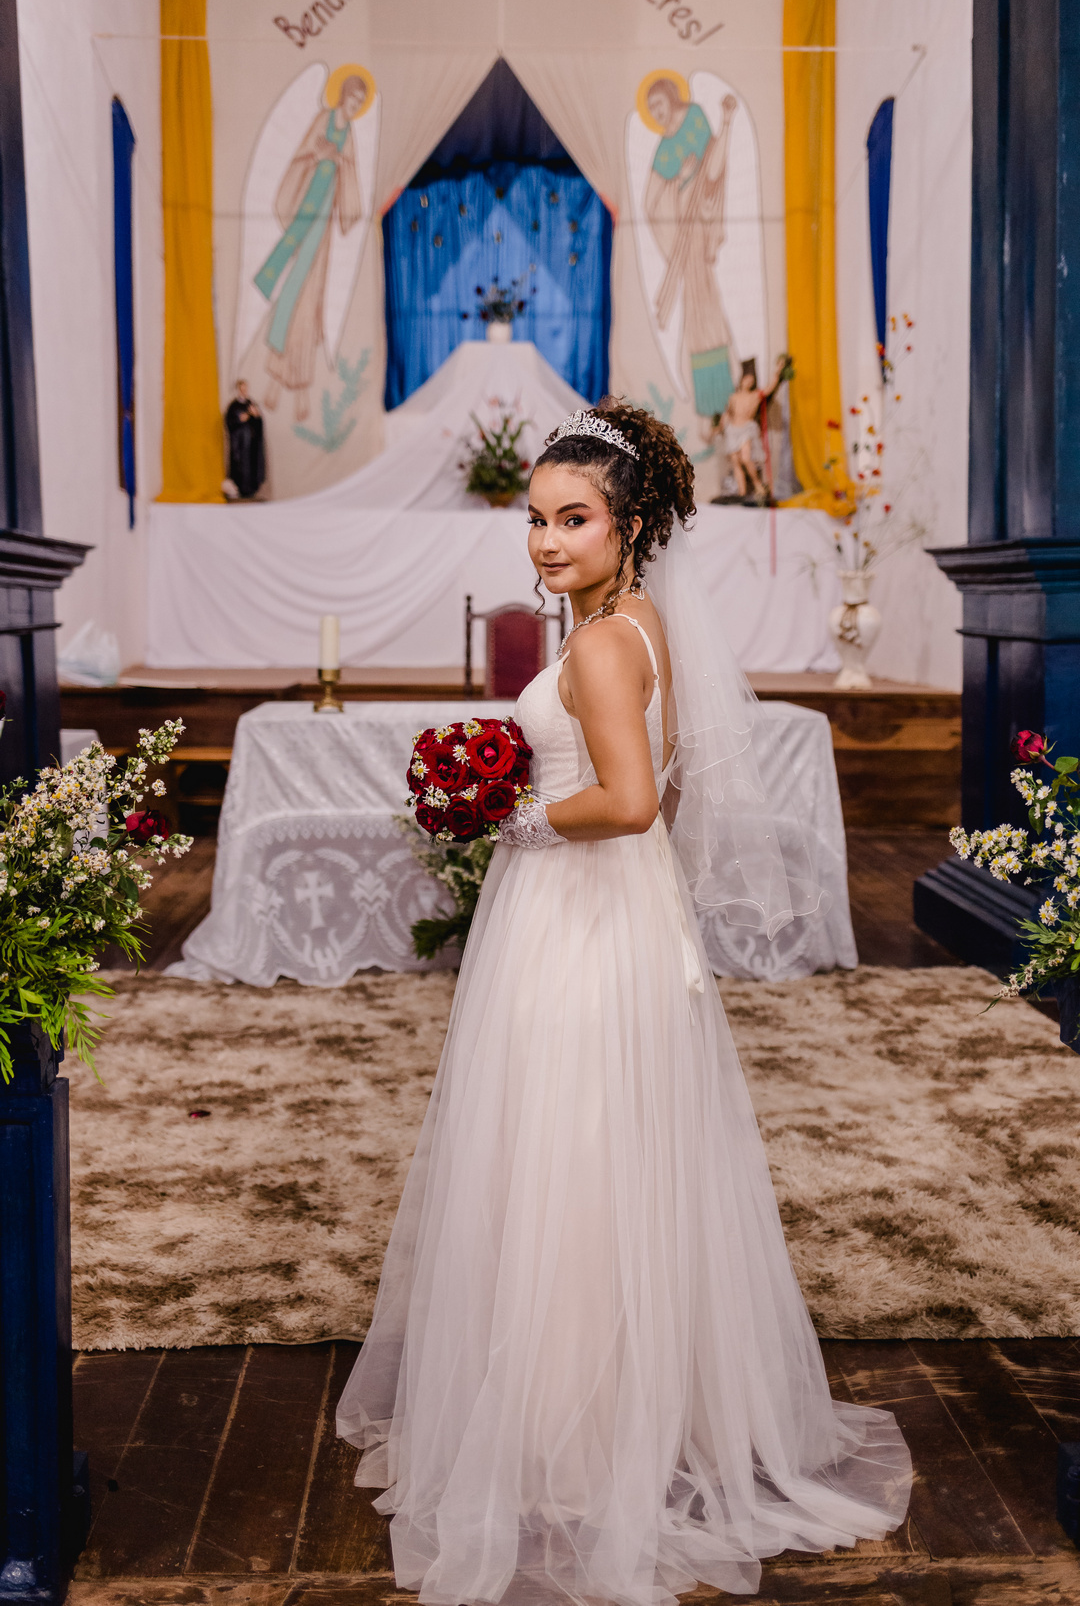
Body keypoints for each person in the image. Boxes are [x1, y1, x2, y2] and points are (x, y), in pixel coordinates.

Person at [336, 402, 912, 1604]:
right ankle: (615, 1413)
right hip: (621, 914)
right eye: (535, 520)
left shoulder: (602, 643)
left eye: (573, 519)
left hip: (584, 912)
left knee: (568, 1150)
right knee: (606, 1151)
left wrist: (513, 816)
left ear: (632, 523)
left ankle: (567, 1439)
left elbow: (635, 799)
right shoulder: (636, 624)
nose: (546, 542)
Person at [254, 73, 366, 422]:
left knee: (311, 300)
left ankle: (298, 387)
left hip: (322, 227)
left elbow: (350, 179)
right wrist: (322, 154)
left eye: (360, 104)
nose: (354, 107)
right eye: (352, 100)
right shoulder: (324, 119)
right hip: (304, 212)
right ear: (342, 96)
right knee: (291, 293)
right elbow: (304, 154)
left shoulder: (349, 135)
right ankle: (275, 381)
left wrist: (340, 160)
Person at [644, 80, 738, 421]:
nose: (657, 112)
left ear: (671, 99)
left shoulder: (695, 117)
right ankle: (711, 398)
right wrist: (677, 180)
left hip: (703, 212)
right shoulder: (662, 152)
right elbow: (651, 205)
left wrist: (725, 123)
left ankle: (723, 392)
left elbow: (713, 164)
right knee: (698, 306)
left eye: (660, 103)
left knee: (707, 302)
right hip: (684, 227)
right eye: (651, 108)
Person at [716, 355, 792, 504]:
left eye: (751, 379)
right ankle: (742, 491)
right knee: (736, 461)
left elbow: (770, 387)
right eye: (746, 379)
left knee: (746, 458)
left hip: (746, 430)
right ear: (742, 380)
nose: (748, 381)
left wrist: (778, 370)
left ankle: (758, 485)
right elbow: (727, 414)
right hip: (733, 430)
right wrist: (720, 427)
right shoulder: (734, 397)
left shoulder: (755, 396)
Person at [223, 380, 265, 500]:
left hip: (251, 445)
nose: (244, 391)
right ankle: (239, 490)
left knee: (250, 467)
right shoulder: (233, 406)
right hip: (239, 446)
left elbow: (258, 424)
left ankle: (251, 490)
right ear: (238, 390)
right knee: (240, 468)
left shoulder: (251, 404)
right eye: (242, 389)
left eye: (246, 389)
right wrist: (239, 419)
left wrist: (256, 416)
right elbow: (229, 422)